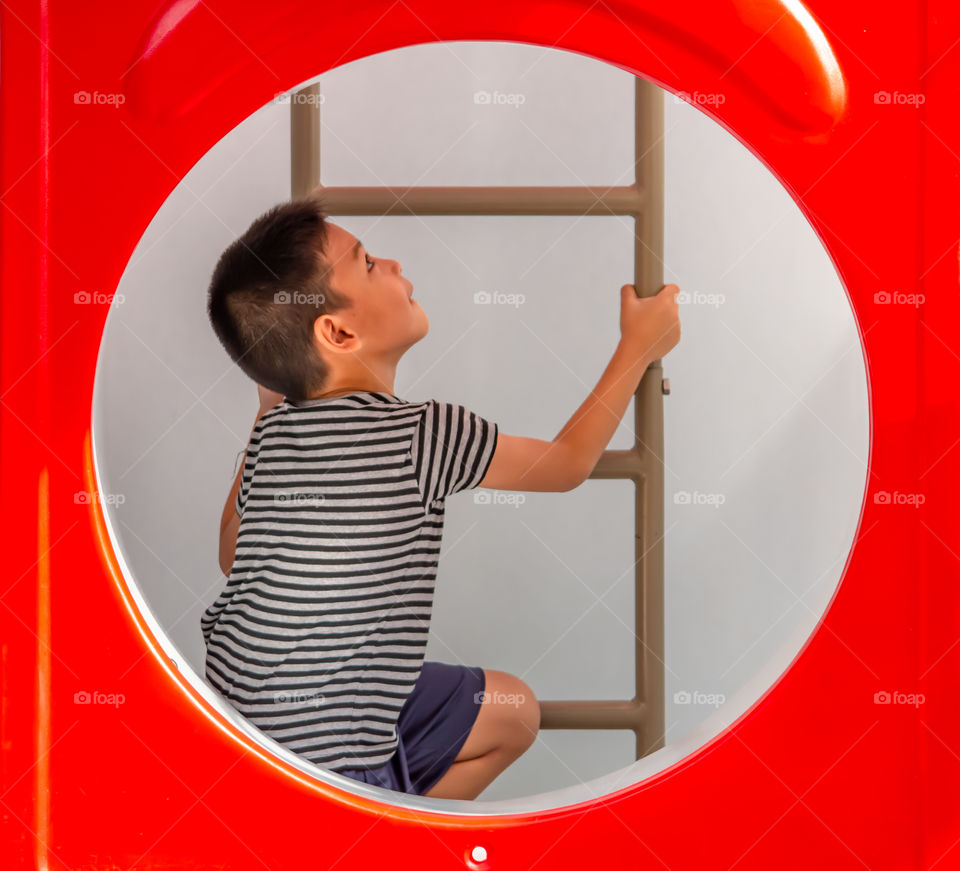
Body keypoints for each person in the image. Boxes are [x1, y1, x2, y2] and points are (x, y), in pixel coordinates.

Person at [200, 192, 681, 799]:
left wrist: (269, 401)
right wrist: (639, 347)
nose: (395, 264)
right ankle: (393, 836)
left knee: (511, 708)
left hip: (234, 734)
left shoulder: (272, 429)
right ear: (338, 331)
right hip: (338, 760)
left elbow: (230, 557)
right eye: (369, 262)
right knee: (510, 718)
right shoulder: (424, 432)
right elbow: (565, 465)